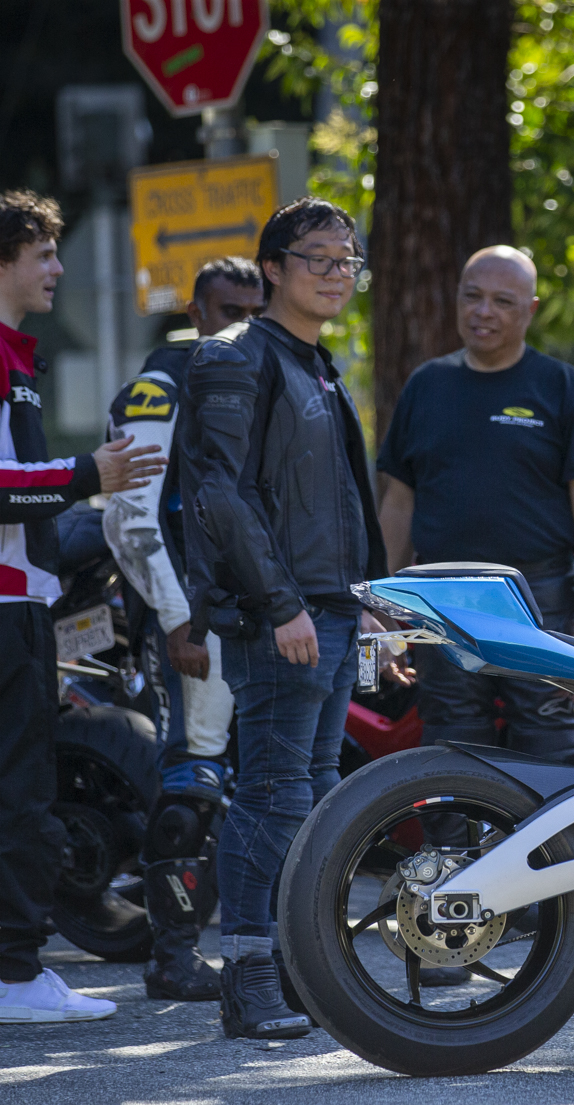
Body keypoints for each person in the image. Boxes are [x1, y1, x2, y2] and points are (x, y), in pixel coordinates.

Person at [0, 190, 163, 1024]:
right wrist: (90, 475)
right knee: (9, 795)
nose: (56, 267)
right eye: (42, 253)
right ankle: (12, 974)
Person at [180, 198, 388, 1036]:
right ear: (272, 268)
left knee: (319, 797)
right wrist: (281, 605)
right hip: (281, 618)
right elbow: (219, 496)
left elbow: (331, 503)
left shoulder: (316, 363)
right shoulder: (234, 359)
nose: (338, 274)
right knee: (269, 794)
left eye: (349, 262)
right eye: (320, 259)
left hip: (329, 612)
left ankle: (303, 966)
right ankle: (250, 976)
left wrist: (362, 600)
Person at [376, 244, 574, 760]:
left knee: (550, 736)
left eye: (503, 301)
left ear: (530, 310)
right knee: (451, 741)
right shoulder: (426, 386)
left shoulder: (562, 387)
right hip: (443, 597)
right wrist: (382, 605)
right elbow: (398, 504)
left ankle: (557, 844)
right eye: (473, 297)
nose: (484, 312)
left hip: (541, 595)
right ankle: (454, 846)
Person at [102, 256, 263, 1001]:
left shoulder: (247, 373)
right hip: (191, 619)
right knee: (192, 780)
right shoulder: (160, 383)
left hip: (244, 607)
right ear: (195, 308)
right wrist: (176, 620)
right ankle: (171, 953)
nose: (239, 322)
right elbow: (130, 518)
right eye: (226, 307)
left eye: (251, 310)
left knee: (235, 779)